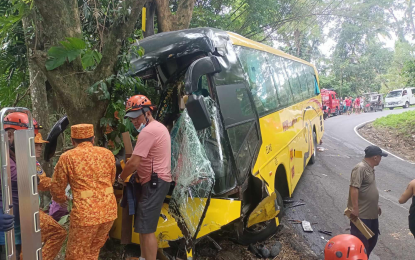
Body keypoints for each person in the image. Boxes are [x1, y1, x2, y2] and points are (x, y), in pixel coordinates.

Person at [50, 124, 117, 260]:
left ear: (73, 140)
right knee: (93, 251)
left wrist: (62, 200)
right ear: (93, 139)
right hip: (109, 212)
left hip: (86, 214)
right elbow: (112, 179)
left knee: (76, 254)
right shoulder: (107, 154)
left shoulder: (68, 157)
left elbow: (56, 186)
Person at [120, 95, 172, 260]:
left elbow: (134, 162)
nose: (134, 121)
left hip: (154, 183)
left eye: (137, 116)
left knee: (147, 228)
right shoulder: (158, 128)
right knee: (143, 226)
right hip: (154, 181)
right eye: (131, 118)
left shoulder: (149, 132)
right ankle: (143, 258)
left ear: (147, 112)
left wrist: (122, 176)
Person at [0, 112, 42, 259]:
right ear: (10, 135)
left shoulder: (17, 156)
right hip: (3, 233)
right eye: (26, 139)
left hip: (19, 229)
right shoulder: (2, 158)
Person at [347, 145, 387, 257]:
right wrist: (355, 208)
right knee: (361, 243)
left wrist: (375, 205)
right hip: (362, 215)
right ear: (375, 157)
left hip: (371, 214)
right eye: (380, 157)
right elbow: (354, 188)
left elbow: (368, 189)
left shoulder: (370, 168)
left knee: (372, 240)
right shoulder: (360, 168)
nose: (380, 159)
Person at [33, 133, 67, 260]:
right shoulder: (24, 161)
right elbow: (42, 183)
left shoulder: (33, 162)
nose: (40, 148)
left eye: (40, 145)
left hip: (34, 209)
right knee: (58, 233)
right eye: (36, 145)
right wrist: (59, 183)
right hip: (28, 212)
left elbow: (41, 182)